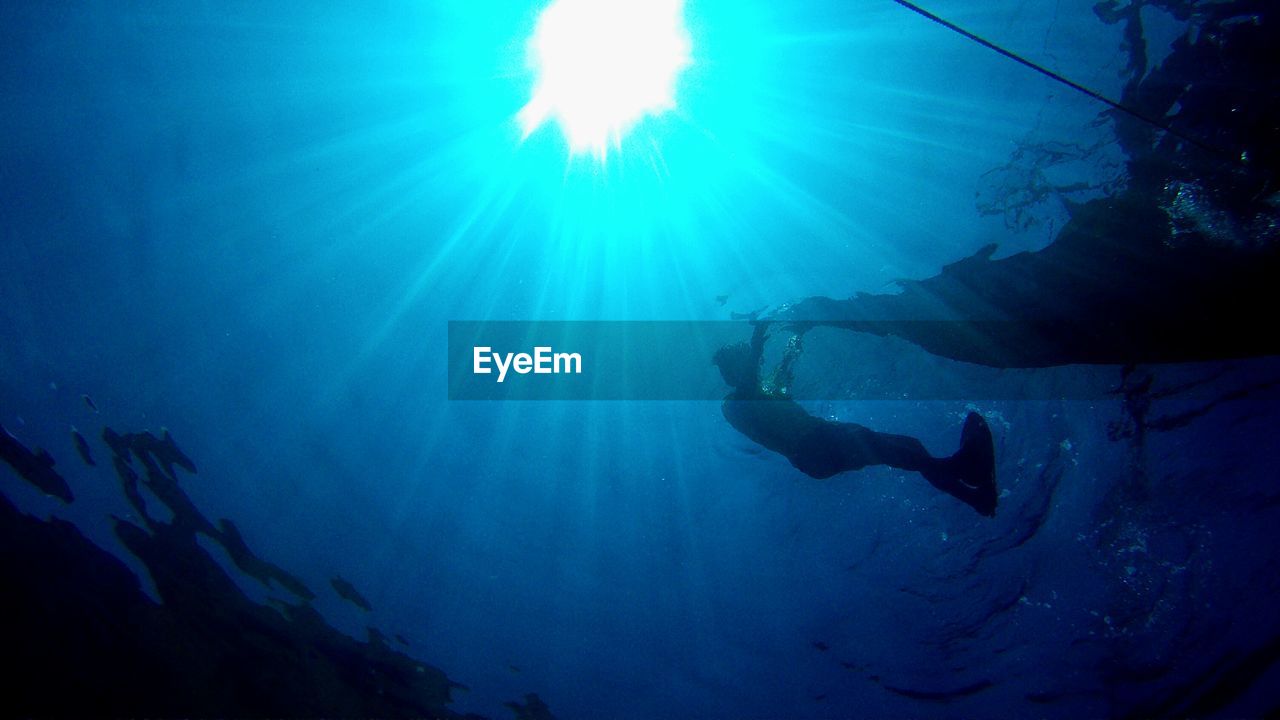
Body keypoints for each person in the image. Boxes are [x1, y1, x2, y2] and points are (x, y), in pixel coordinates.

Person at [714, 323, 998, 517]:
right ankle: (964, 467)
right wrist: (757, 337)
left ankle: (975, 496)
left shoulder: (760, 392)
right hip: (815, 446)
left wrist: (796, 337)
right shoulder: (734, 404)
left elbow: (782, 375)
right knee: (895, 451)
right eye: (746, 361)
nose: (756, 363)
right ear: (733, 371)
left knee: (908, 447)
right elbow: (752, 384)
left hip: (821, 440)